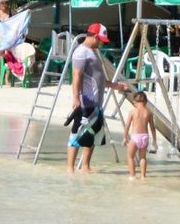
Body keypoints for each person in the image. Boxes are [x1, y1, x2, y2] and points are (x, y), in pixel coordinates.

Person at [66, 23, 127, 174]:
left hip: (96, 102)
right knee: (77, 133)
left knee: (91, 134)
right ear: (93, 37)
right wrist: (75, 98)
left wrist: (115, 86)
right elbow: (76, 76)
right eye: (100, 40)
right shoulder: (81, 52)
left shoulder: (93, 52)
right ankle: (70, 168)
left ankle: (85, 166)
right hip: (85, 101)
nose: (101, 43)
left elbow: (99, 79)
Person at [123, 90, 158, 180]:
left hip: (135, 137)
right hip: (145, 137)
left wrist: (125, 137)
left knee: (130, 156)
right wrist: (154, 140)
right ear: (146, 102)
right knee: (143, 158)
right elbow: (153, 128)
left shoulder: (133, 112)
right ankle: (143, 176)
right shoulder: (148, 112)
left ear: (134, 102)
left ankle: (132, 176)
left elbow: (127, 125)